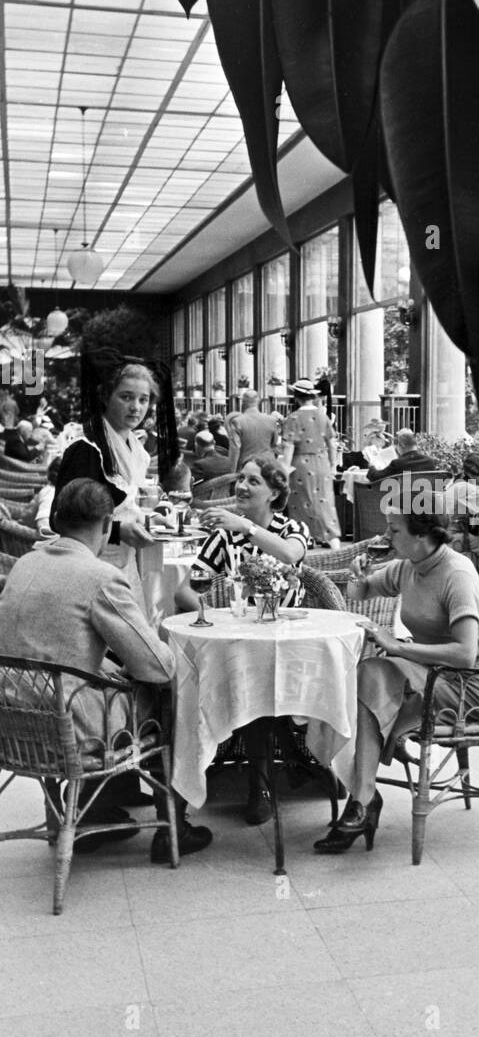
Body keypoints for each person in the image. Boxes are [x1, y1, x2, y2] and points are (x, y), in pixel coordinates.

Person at [0, 479, 211, 860]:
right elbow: (157, 667)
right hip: (70, 723)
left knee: (118, 677)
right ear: (104, 524)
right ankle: (172, 828)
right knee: (170, 693)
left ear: (60, 519)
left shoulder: (25, 563)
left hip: (13, 719)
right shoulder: (99, 577)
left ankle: (92, 811)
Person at [313, 505, 479, 853]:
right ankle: (363, 797)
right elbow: (361, 593)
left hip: (466, 684)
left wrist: (396, 646)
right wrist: (358, 575)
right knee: (368, 675)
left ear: (421, 535)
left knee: (373, 678)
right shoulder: (409, 567)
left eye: (394, 530)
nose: (385, 537)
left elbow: (465, 654)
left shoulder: (457, 573)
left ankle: (362, 801)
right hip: (428, 672)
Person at [174, 456, 313, 825]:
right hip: (243, 640)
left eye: (253, 481)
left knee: (258, 677)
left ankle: (268, 778)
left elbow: (290, 554)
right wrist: (218, 616)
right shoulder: (224, 537)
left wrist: (246, 527)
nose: (241, 486)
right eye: (240, 479)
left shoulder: (291, 528)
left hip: (289, 641)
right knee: (251, 675)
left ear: (275, 493)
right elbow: (185, 591)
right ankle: (267, 779)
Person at [50, 358, 171, 610]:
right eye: (126, 397)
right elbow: (59, 519)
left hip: (123, 566)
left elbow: (125, 509)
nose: (135, 407)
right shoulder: (87, 448)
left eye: (143, 399)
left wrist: (148, 521)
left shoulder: (136, 450)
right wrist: (118, 530)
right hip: (88, 572)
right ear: (106, 397)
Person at [281, 378, 342, 548]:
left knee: (301, 502)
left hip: (300, 464)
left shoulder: (293, 418)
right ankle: (332, 538)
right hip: (322, 463)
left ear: (296, 397)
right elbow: (332, 443)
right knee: (325, 501)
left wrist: (285, 470)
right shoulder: (323, 417)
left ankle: (303, 538)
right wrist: (333, 465)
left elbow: (289, 446)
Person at [227, 389, 279, 472]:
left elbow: (235, 450)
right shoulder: (272, 420)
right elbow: (274, 446)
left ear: (242, 403)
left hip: (247, 466)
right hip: (268, 466)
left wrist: (232, 472)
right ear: (258, 402)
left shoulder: (237, 421)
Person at [365, 428, 437, 482]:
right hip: (426, 500)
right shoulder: (430, 462)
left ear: (402, 445)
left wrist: (372, 466)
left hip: (401, 500)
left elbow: (374, 477)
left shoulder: (398, 463)